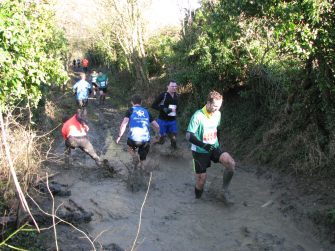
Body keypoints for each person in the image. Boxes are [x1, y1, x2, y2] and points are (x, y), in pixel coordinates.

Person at [186, 91, 236, 204]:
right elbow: (188, 136)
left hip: (214, 147)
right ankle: (197, 202)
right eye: (215, 106)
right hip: (199, 151)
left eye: (219, 106)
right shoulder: (198, 116)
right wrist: (204, 145)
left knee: (231, 163)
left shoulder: (218, 114)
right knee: (201, 181)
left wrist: (218, 142)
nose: (217, 109)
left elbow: (217, 128)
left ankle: (224, 191)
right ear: (208, 103)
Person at [116, 94, 160, 171]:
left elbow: (124, 124)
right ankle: (142, 174)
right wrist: (157, 135)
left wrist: (119, 136)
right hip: (145, 140)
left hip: (134, 140)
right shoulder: (146, 112)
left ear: (132, 102)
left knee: (129, 146)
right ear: (141, 103)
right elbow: (157, 126)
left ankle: (134, 156)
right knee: (143, 159)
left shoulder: (130, 110)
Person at [151, 80, 180, 150]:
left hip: (172, 120)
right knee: (162, 141)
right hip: (162, 120)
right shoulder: (163, 95)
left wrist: (178, 111)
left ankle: (174, 154)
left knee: (174, 139)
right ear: (168, 86)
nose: (174, 88)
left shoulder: (176, 95)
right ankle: (152, 146)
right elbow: (153, 105)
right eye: (172, 86)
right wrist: (163, 109)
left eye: (175, 86)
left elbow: (176, 105)